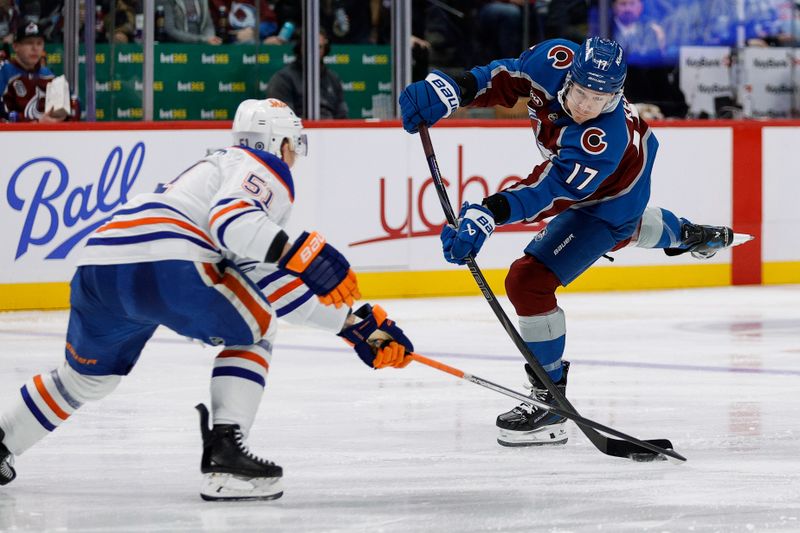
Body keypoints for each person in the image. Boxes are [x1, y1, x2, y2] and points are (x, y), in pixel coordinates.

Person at [0, 98, 414, 501]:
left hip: (101, 263)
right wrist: (299, 252)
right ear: (280, 143)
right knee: (255, 332)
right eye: (294, 147)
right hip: (168, 262)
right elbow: (232, 222)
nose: (294, 157)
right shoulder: (264, 168)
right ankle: (225, 458)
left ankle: (4, 441)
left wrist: (352, 324)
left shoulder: (212, 170)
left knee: (86, 379)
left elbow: (269, 280)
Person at [399, 37, 751, 447]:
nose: (586, 106)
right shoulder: (554, 58)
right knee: (622, 231)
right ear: (569, 75)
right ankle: (687, 235)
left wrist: (489, 213)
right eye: (582, 93)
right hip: (621, 177)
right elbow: (508, 77)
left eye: (600, 99)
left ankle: (550, 401)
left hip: (614, 197)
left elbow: (548, 192)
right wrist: (453, 89)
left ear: (616, 95)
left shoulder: (600, 139)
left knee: (529, 281)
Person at [0, 21, 75, 122]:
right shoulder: (4, 72)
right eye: (29, 43)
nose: (35, 48)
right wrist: (36, 123)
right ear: (15, 46)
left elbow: (73, 107)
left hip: (46, 136)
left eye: (39, 43)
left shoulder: (49, 76)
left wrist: (62, 117)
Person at [265, 30, 348, 119]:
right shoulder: (283, 79)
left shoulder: (333, 78)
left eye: (319, 47)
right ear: (300, 47)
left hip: (331, 130)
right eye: (309, 46)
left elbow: (342, 115)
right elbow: (283, 119)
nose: (314, 51)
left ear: (325, 49)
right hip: (299, 130)